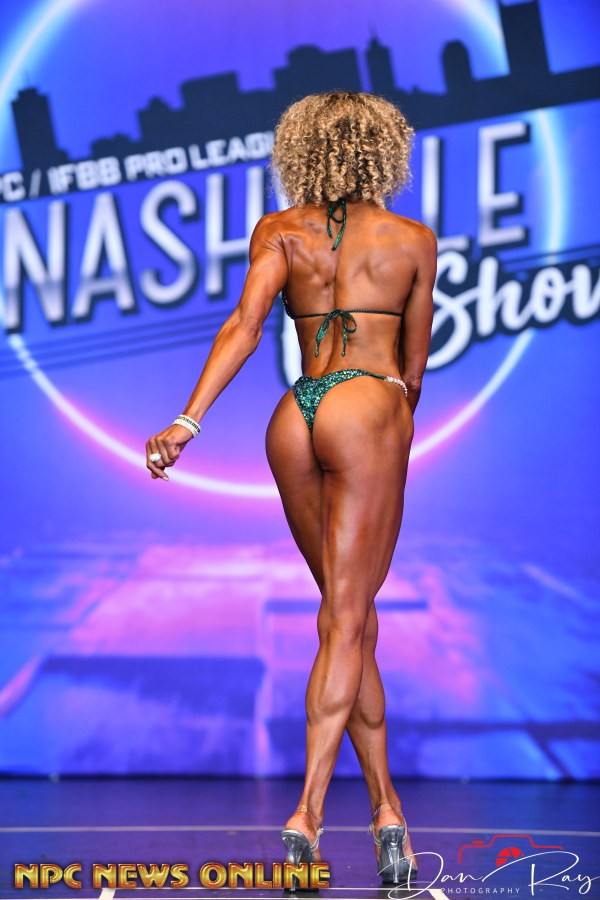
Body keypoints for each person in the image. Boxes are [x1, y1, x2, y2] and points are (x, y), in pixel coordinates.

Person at [145, 91, 436, 886]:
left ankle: (387, 813)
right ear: (384, 152)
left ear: (300, 152)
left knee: (350, 618)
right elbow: (413, 371)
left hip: (295, 413)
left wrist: (187, 421)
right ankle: (307, 810)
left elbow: (244, 327)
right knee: (346, 618)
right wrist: (385, 425)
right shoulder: (413, 239)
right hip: (366, 406)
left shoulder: (279, 230)